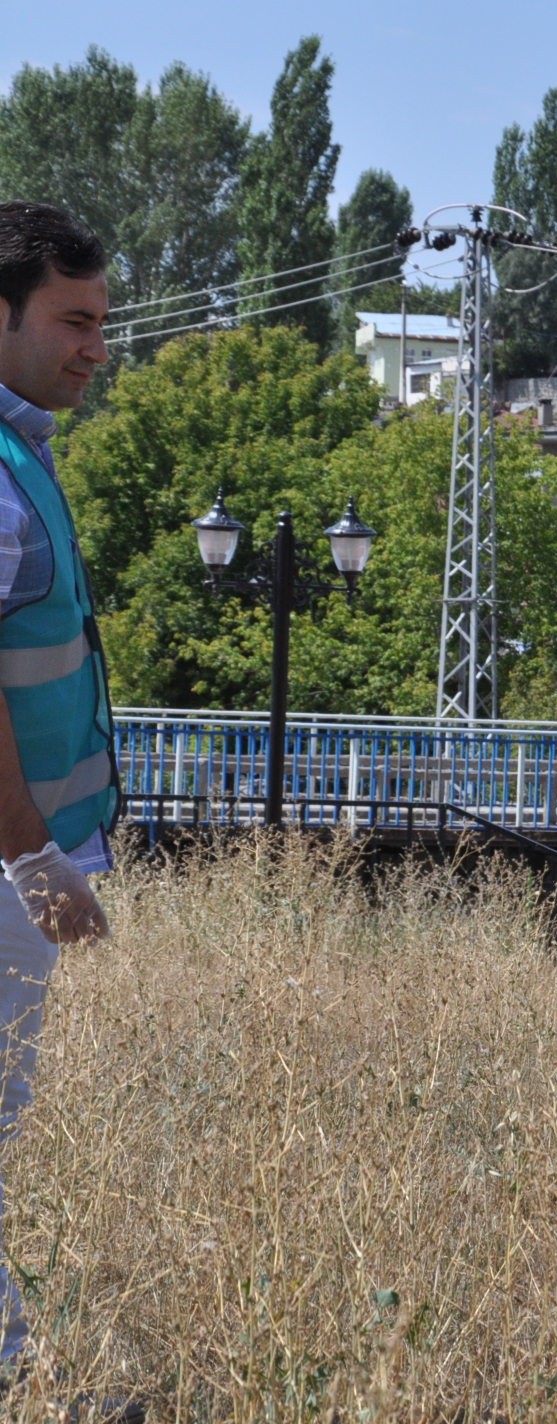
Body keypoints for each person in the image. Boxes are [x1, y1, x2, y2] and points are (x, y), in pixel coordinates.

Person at [0, 202, 138, 1421]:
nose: (97, 344)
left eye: (104, 319)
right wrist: (32, 850)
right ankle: (24, 1369)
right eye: (73, 320)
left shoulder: (23, 447)